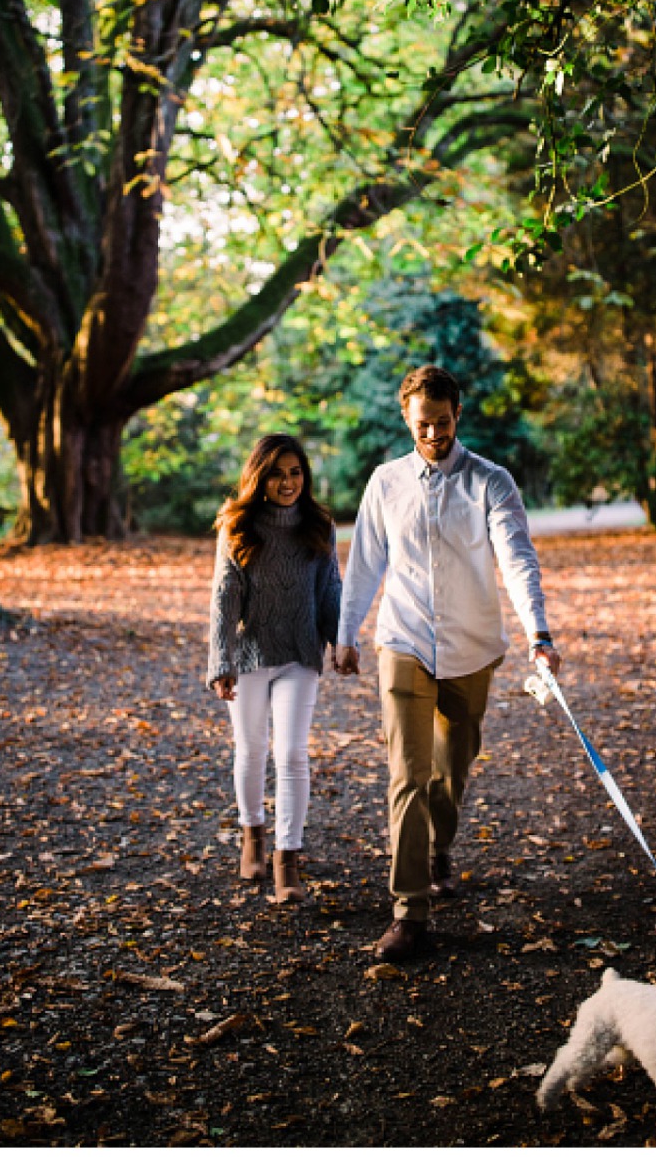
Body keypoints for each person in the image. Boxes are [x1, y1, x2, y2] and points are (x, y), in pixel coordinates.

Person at [336, 364, 561, 961]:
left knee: (450, 772)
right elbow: (363, 565)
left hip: (471, 649)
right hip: (403, 642)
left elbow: (517, 557)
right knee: (406, 776)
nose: (432, 434)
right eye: (421, 425)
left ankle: (438, 849)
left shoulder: (491, 481)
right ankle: (410, 910)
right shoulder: (385, 483)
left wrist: (538, 630)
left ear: (457, 416)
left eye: (441, 423)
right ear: (406, 420)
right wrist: (346, 633)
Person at [205, 433, 342, 905]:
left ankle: (288, 857)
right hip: (249, 656)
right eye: (278, 474)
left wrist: (343, 640)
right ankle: (252, 836)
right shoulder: (238, 525)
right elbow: (224, 598)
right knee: (251, 749)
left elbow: (330, 590)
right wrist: (220, 660)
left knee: (291, 754)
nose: (288, 482)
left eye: (296, 472)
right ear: (260, 477)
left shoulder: (319, 526)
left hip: (300, 653)